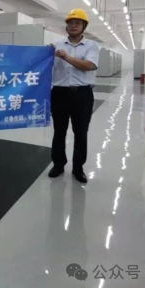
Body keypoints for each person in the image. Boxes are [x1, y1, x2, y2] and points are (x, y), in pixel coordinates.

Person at [49, 9, 100, 184]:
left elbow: (89, 65)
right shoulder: (56, 45)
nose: (73, 26)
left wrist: (66, 57)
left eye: (77, 23)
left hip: (82, 94)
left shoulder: (92, 46)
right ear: (66, 26)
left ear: (84, 26)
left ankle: (78, 168)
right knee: (59, 131)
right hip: (59, 93)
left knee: (81, 133)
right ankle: (58, 164)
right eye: (70, 23)